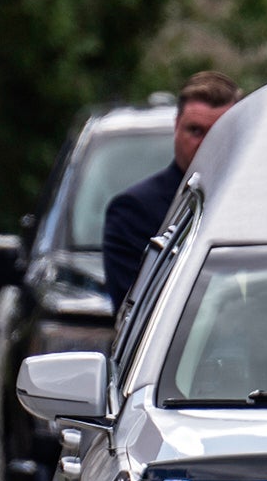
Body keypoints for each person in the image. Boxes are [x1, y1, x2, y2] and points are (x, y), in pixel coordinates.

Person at [99, 71, 240, 310]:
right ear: (176, 127)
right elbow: (136, 315)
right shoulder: (133, 212)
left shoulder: (254, 205)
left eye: (219, 132)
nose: (207, 143)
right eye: (196, 131)